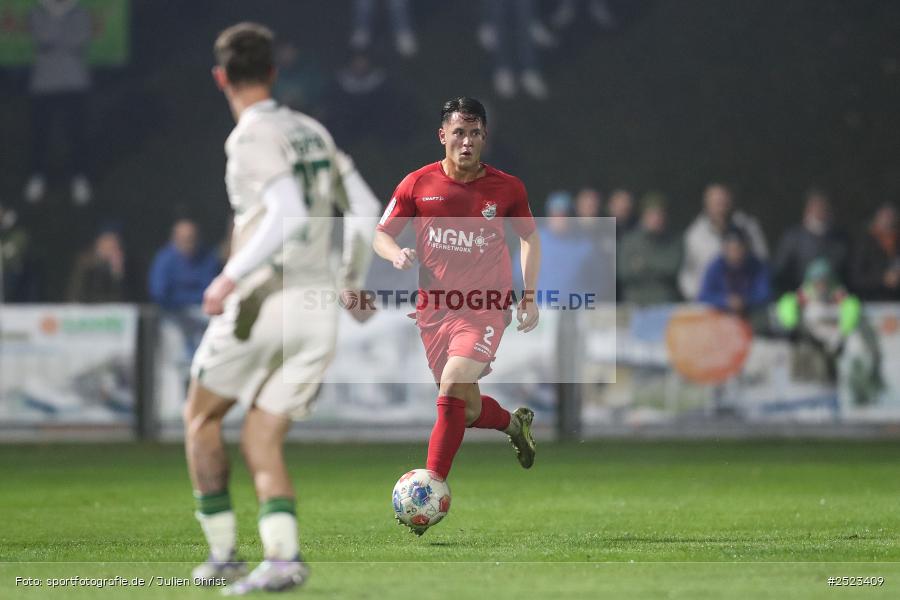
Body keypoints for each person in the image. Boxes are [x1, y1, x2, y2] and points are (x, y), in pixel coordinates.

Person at [184, 23, 380, 594]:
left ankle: (223, 554)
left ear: (221, 77)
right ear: (273, 73)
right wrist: (349, 280)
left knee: (200, 418)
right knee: (261, 438)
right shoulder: (313, 131)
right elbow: (368, 210)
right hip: (317, 312)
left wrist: (229, 275)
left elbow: (288, 214)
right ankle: (282, 559)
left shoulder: (249, 137)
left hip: (264, 301)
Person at [373, 97, 540, 532]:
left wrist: (529, 295)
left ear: (485, 138)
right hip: (434, 313)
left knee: (451, 386)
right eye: (459, 132)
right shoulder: (417, 184)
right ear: (443, 136)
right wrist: (395, 254)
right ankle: (511, 423)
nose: (467, 141)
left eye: (476, 133)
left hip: (485, 307)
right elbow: (381, 234)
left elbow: (529, 239)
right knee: (461, 408)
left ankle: (427, 491)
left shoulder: (507, 188)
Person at [24, 0, 94, 206]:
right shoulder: (37, 11)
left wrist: (55, 37)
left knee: (76, 133)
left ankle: (79, 177)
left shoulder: (80, 11)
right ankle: (37, 176)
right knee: (40, 134)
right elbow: (41, 37)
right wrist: (62, 35)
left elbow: (80, 39)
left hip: (75, 82)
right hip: (43, 83)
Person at [679, 182, 768, 300]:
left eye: (723, 201)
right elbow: (687, 274)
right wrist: (699, 298)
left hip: (747, 303)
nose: (720, 206)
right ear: (706, 204)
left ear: (731, 201)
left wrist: (748, 298)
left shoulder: (748, 227)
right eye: (716, 202)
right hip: (707, 305)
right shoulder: (694, 235)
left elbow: (762, 261)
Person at [772, 188, 850, 294]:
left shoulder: (842, 239)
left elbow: (849, 275)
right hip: (800, 300)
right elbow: (780, 273)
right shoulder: (792, 238)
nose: (819, 210)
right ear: (807, 209)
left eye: (823, 206)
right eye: (815, 206)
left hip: (835, 301)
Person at [618, 193, 682, 305]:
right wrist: (658, 266)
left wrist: (642, 264)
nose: (656, 219)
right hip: (634, 303)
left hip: (664, 301)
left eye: (659, 215)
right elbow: (623, 272)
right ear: (643, 216)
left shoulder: (673, 241)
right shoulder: (629, 241)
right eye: (651, 214)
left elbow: (671, 269)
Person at [698, 228, 770, 321]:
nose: (735, 254)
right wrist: (725, 301)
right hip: (721, 316)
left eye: (738, 248)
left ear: (745, 248)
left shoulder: (757, 266)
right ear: (724, 249)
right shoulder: (715, 266)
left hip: (750, 315)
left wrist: (744, 301)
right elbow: (703, 296)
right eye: (731, 249)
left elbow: (765, 293)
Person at [148, 219, 221, 311]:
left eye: (191, 238)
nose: (188, 243)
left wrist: (182, 297)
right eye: (183, 239)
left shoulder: (208, 258)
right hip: (171, 312)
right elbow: (159, 293)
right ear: (174, 238)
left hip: (201, 310)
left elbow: (210, 291)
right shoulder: (164, 259)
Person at [851, 203, 899, 301]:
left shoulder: (897, 243)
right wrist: (882, 279)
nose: (889, 221)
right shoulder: (864, 243)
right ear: (877, 218)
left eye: (891, 217)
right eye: (885, 217)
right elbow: (856, 277)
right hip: (871, 302)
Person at [67, 228, 128, 302]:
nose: (111, 249)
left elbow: (121, 299)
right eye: (107, 244)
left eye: (114, 245)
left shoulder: (124, 266)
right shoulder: (85, 264)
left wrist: (117, 275)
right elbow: (76, 293)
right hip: (87, 308)